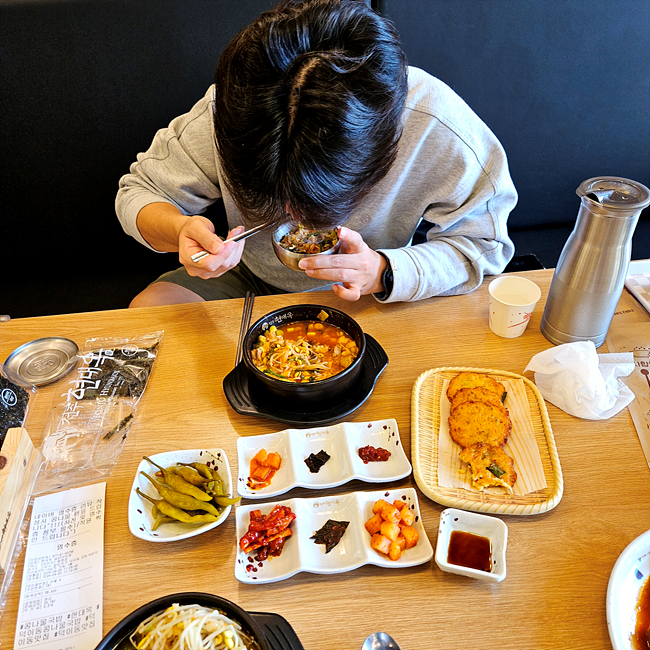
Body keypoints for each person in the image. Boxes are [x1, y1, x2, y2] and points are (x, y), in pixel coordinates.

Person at [116, 0, 517, 308]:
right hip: (247, 279)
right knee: (149, 313)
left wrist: (384, 272)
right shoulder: (233, 109)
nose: (293, 215)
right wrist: (179, 230)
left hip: (375, 291)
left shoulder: (435, 123)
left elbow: (485, 245)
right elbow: (139, 192)